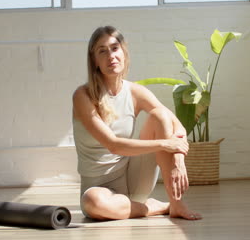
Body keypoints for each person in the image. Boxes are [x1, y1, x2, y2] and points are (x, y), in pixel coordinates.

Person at [72, 26, 202, 221]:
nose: (111, 56)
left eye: (115, 48)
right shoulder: (83, 96)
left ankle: (175, 203)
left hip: (135, 179)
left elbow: (178, 126)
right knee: (93, 202)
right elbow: (113, 145)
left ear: (124, 53)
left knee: (160, 116)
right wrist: (165, 144)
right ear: (94, 61)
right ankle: (149, 208)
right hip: (100, 190)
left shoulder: (135, 92)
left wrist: (178, 161)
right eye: (102, 51)